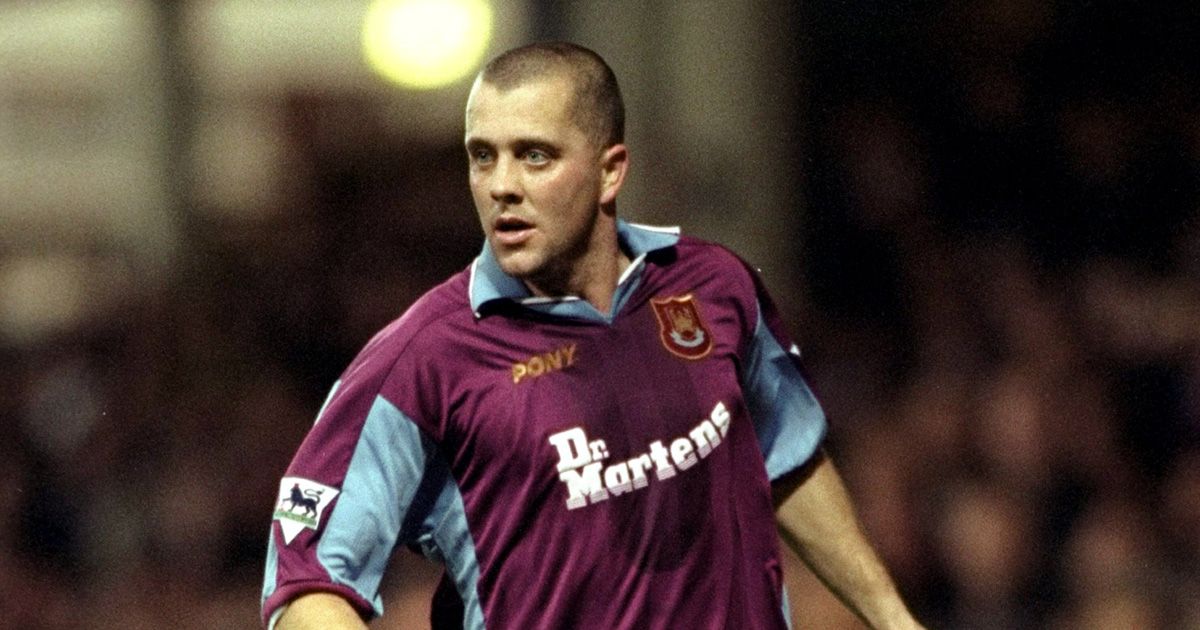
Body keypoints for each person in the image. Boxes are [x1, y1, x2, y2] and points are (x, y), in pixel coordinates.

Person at [261, 41, 923, 630]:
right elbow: (307, 583)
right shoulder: (423, 361)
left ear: (611, 170)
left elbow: (787, 459)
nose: (501, 186)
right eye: (482, 157)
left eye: (534, 156)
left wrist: (893, 620)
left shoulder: (715, 287)